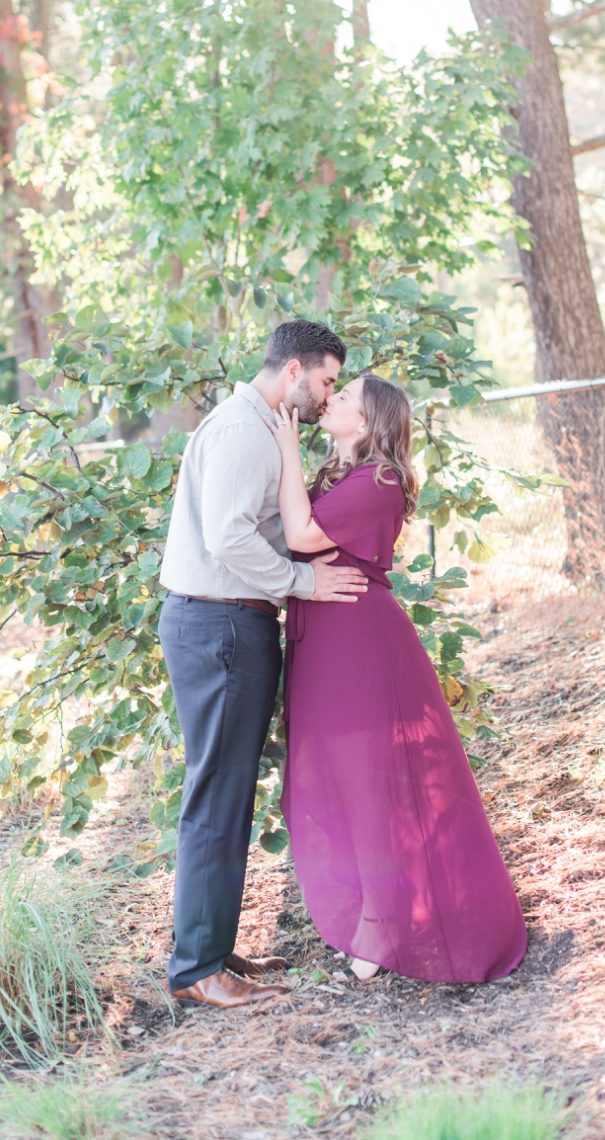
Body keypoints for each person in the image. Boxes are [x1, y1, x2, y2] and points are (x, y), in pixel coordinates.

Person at [273, 374, 527, 984]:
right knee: (336, 780)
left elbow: (302, 534)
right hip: (322, 638)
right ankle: (373, 917)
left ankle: (383, 929)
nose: (328, 399)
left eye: (343, 397)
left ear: (365, 422)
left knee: (371, 788)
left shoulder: (382, 479)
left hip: (360, 644)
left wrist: (285, 447)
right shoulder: (342, 473)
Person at [158, 320, 369, 1010]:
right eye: (327, 381)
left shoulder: (255, 424)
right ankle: (196, 969)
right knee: (217, 798)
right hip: (220, 624)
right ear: (292, 374)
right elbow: (227, 537)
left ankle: (213, 949)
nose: (326, 395)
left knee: (227, 795)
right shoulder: (247, 430)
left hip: (225, 623)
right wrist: (304, 585)